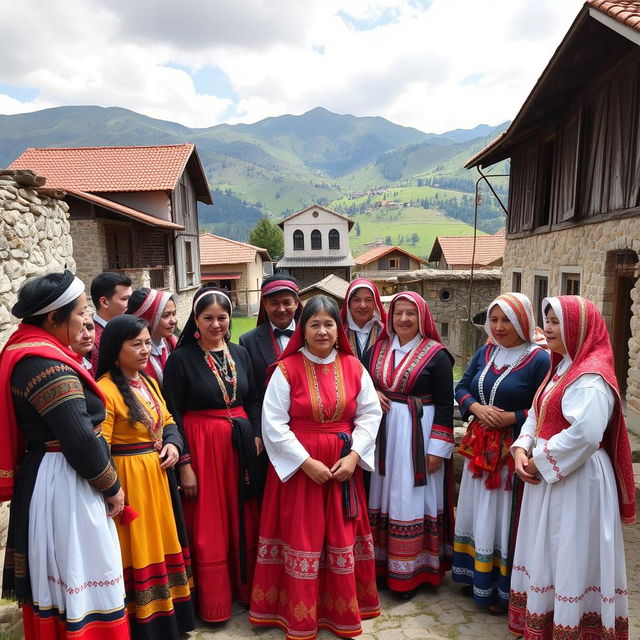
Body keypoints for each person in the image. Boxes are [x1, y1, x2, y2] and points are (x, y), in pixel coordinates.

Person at [0, 271, 130, 640]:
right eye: (80, 313)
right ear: (54, 318)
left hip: (52, 474)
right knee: (83, 571)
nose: (86, 320)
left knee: (65, 576)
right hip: (67, 482)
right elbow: (79, 440)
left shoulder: (30, 353)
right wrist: (112, 486)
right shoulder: (47, 366)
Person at [249, 295, 382, 640]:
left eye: (329, 324)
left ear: (339, 329)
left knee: (339, 535)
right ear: (303, 330)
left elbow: (370, 413)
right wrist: (305, 463)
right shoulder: (286, 369)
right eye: (314, 324)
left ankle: (340, 611)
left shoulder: (354, 367)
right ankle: (298, 615)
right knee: (302, 536)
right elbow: (273, 423)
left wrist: (354, 457)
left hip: (342, 466)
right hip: (300, 471)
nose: (323, 331)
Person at [509, 295, 636, 640]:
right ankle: (548, 621)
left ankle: (575, 627)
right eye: (547, 320)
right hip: (552, 475)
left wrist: (537, 462)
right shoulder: (562, 365)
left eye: (556, 322)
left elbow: (586, 434)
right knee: (550, 549)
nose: (547, 328)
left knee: (570, 549)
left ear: (578, 328)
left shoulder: (591, 376)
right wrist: (521, 448)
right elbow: (538, 412)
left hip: (578, 479)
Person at [163, 287, 263, 623]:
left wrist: (257, 434)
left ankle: (246, 590)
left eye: (222, 317)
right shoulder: (181, 359)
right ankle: (214, 602)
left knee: (243, 517)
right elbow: (172, 413)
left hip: (240, 447)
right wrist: (185, 464)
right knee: (209, 523)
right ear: (196, 319)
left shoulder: (241, 352)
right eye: (208, 318)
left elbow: (252, 398)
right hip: (202, 448)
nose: (216, 324)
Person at [95, 315, 195, 640]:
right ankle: (143, 627)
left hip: (158, 480)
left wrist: (173, 444)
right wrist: (113, 488)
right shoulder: (105, 391)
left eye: (146, 343)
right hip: (131, 483)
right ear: (114, 349)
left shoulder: (148, 381)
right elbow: (100, 446)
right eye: (135, 344)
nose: (144, 350)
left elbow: (167, 419)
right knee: (138, 549)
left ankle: (168, 623)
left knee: (162, 542)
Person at [452, 293, 550, 614]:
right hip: (479, 446)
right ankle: (474, 577)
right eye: (494, 320)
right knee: (477, 508)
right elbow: (462, 387)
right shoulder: (487, 350)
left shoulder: (539, 359)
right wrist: (476, 407)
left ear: (523, 319)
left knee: (502, 515)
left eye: (506, 319)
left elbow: (545, 406)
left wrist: (512, 417)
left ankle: (501, 588)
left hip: (512, 449)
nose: (498, 326)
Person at [367, 291, 454, 598]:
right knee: (382, 493)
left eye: (410, 313)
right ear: (389, 318)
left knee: (411, 497)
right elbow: (362, 382)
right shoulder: (377, 349)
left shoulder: (437, 354)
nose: (403, 319)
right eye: (398, 313)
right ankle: (380, 566)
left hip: (419, 434)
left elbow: (445, 403)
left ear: (422, 318)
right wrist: (372, 393)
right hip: (383, 434)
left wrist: (437, 448)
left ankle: (412, 573)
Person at [239, 275, 302, 402]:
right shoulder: (248, 342)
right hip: (267, 417)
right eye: (274, 303)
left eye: (287, 302)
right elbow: (251, 394)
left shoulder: (311, 336)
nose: (281, 309)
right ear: (265, 305)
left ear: (296, 303)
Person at [127, 288, 178, 386]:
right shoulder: (135, 356)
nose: (173, 320)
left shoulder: (170, 344)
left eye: (174, 314)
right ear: (148, 317)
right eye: (166, 315)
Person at [89, 271, 133, 373]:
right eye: (125, 299)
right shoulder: (91, 340)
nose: (131, 303)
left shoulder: (130, 328)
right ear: (104, 302)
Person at [340, 278, 387, 363]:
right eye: (356, 300)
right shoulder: (339, 334)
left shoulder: (386, 333)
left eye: (368, 300)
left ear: (375, 304)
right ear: (348, 304)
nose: (363, 305)